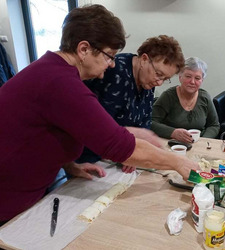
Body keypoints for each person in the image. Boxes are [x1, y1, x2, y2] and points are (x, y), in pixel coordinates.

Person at [0, 4, 199, 225]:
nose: (113, 63)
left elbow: (46, 131)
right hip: (8, 199)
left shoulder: (51, 69)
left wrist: (69, 165)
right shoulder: (62, 83)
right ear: (84, 49)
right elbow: (118, 145)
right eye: (109, 55)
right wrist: (178, 163)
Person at [77, 35, 185, 173]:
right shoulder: (115, 72)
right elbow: (98, 126)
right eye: (159, 74)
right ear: (144, 59)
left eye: (165, 79)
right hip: (88, 156)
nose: (159, 82)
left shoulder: (147, 79)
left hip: (115, 157)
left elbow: (144, 121)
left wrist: (136, 150)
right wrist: (132, 142)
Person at [151, 57, 220, 143]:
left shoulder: (205, 97)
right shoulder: (168, 96)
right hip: (173, 145)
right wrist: (172, 132)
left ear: (202, 80)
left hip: (198, 145)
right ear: (180, 77)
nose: (192, 82)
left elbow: (214, 125)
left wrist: (203, 140)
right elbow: (151, 122)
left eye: (197, 78)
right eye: (188, 76)